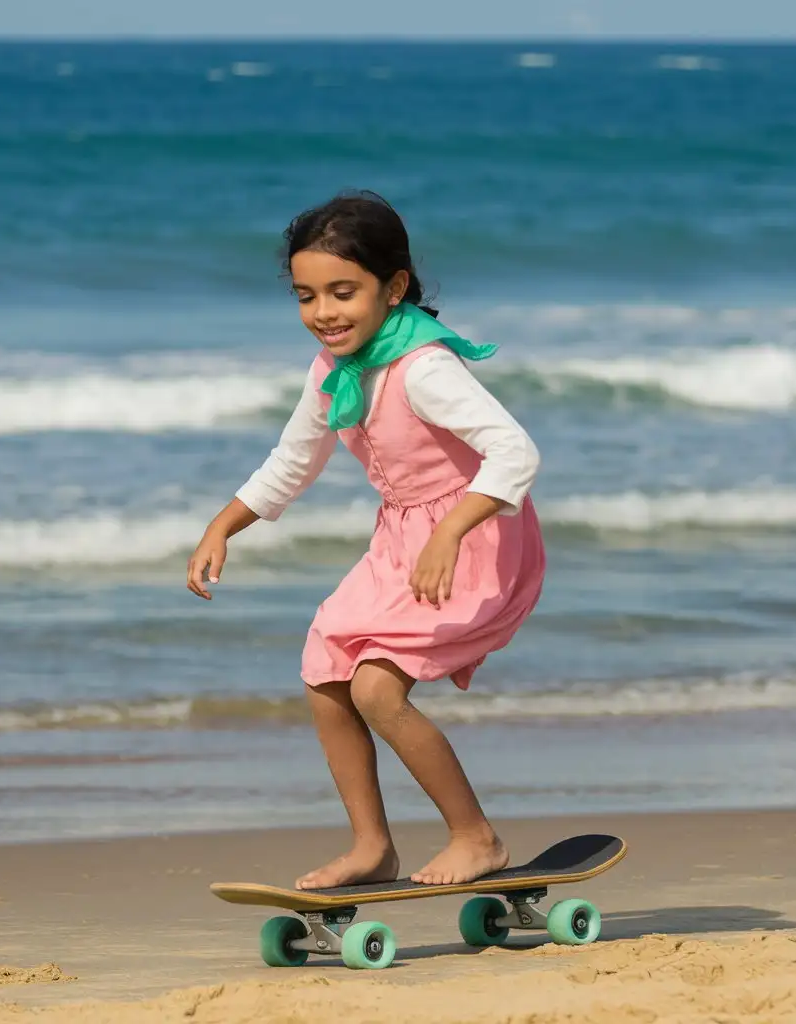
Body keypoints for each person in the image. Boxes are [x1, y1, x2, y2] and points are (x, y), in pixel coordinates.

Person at [186, 191, 545, 889]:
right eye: (306, 296)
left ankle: (477, 838)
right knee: (325, 670)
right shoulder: (332, 371)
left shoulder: (423, 368)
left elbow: (515, 453)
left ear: (395, 286)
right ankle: (372, 846)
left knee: (377, 689)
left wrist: (451, 530)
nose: (323, 312)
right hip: (402, 544)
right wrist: (222, 526)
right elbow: (292, 463)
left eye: (343, 292)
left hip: (474, 541)